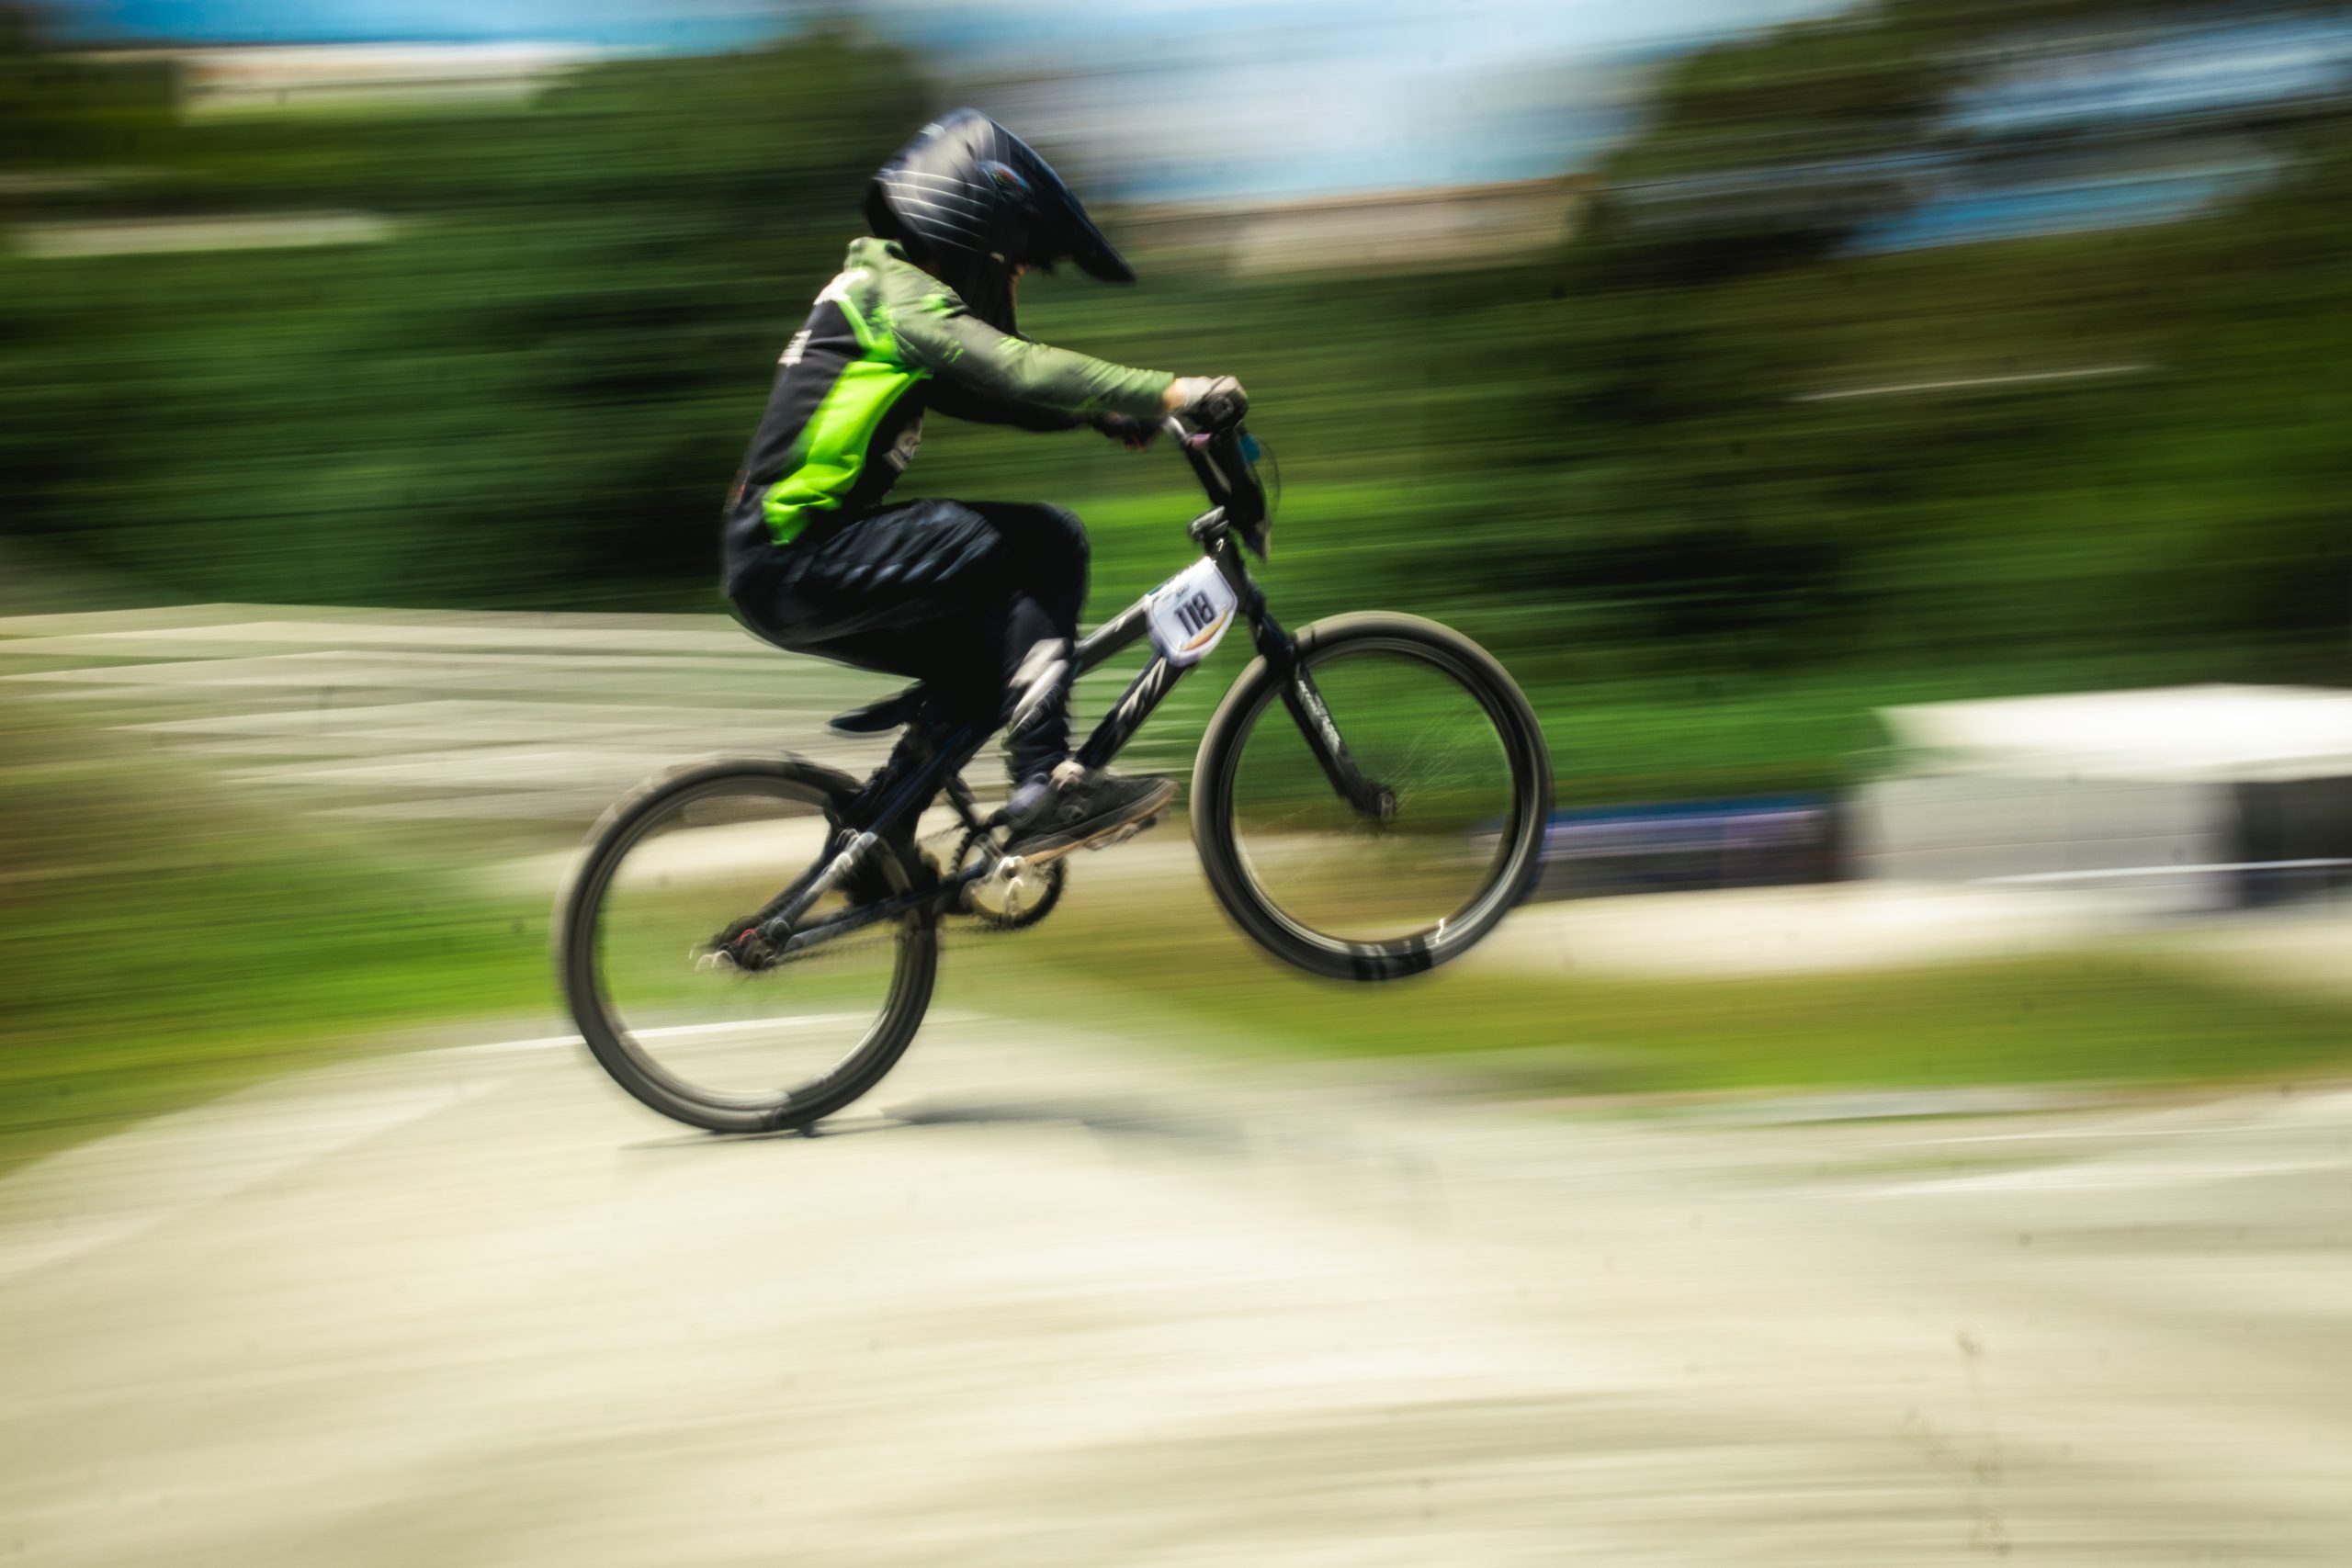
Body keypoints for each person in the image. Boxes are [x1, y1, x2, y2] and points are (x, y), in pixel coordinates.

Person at [722, 109, 1244, 868]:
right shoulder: (896, 294)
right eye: (1017, 265)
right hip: (800, 552)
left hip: (778, 566)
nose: (1015, 281)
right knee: (1048, 542)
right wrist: (1173, 389)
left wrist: (1100, 413)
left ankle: (878, 843)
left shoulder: (876, 291)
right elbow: (1014, 367)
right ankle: (1044, 787)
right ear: (978, 234)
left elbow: (987, 393)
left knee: (985, 664)